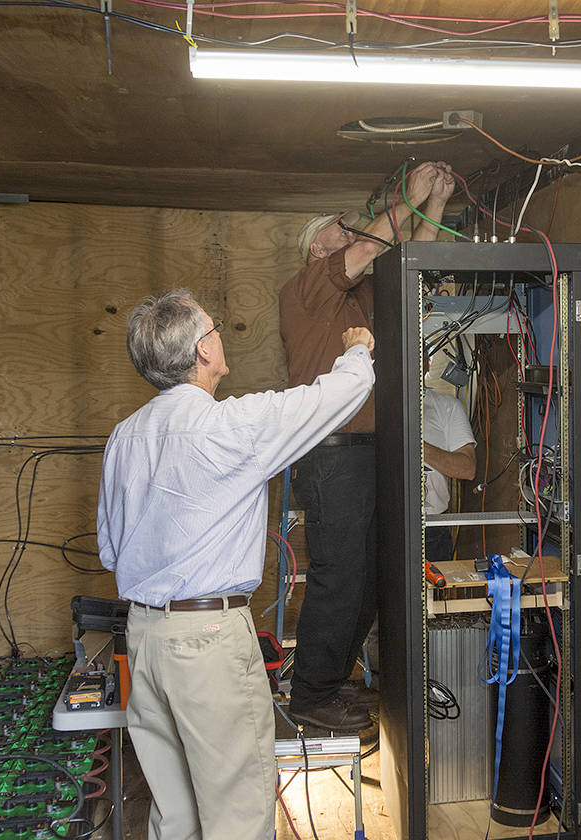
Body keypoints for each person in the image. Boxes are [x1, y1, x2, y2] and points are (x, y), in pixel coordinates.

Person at [97, 288, 375, 840]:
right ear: (203, 351)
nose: (221, 336)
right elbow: (342, 393)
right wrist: (359, 347)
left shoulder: (123, 437)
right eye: (215, 328)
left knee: (174, 815)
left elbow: (110, 550)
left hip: (144, 639)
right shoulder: (232, 427)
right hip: (208, 641)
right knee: (238, 819)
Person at [280, 160, 455, 731]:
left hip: (369, 449)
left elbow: (415, 259)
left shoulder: (361, 297)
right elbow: (372, 241)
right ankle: (309, 696)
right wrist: (409, 192)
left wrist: (435, 204)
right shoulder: (307, 289)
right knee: (339, 573)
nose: (351, 233)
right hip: (332, 453)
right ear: (317, 251)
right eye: (339, 228)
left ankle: (331, 684)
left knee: (374, 573)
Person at [423, 354, 477, 567]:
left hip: (432, 528)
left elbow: (468, 468)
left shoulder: (446, 407)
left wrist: (418, 447)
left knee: (434, 597)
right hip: (384, 524)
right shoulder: (371, 404)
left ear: (427, 363)